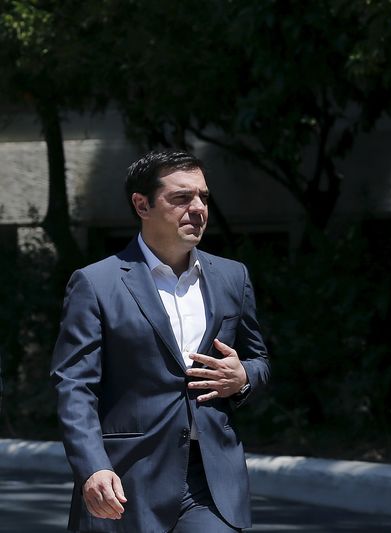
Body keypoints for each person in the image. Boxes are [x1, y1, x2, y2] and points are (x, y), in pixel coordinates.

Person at [50, 150, 270, 532]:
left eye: (203, 196)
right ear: (142, 204)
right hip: (128, 479)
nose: (198, 208)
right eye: (182, 197)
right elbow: (75, 386)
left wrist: (244, 376)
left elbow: (258, 359)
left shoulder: (233, 277)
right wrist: (93, 466)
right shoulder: (97, 283)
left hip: (211, 482)